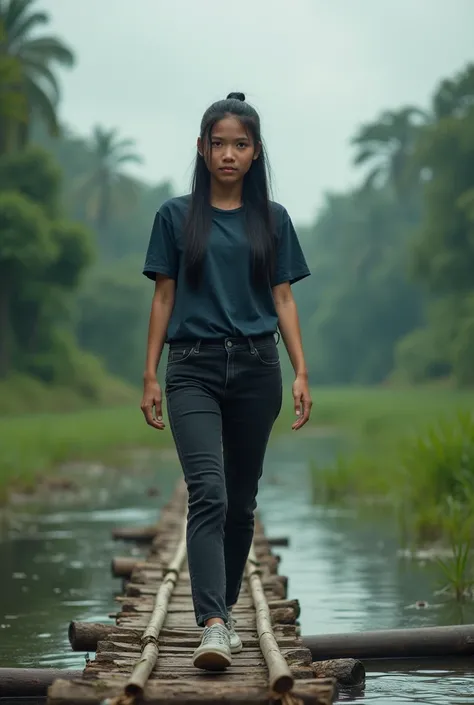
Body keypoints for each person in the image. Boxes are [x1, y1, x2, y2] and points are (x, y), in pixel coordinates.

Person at [140, 92, 312, 672]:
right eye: (220, 144)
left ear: (256, 151)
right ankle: (213, 624)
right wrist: (149, 375)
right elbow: (163, 296)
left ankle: (227, 613)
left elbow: (283, 298)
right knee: (208, 491)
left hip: (258, 369)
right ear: (201, 148)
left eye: (241, 144)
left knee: (240, 503)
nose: (229, 154)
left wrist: (300, 372)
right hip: (191, 366)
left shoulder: (274, 220)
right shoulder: (174, 216)